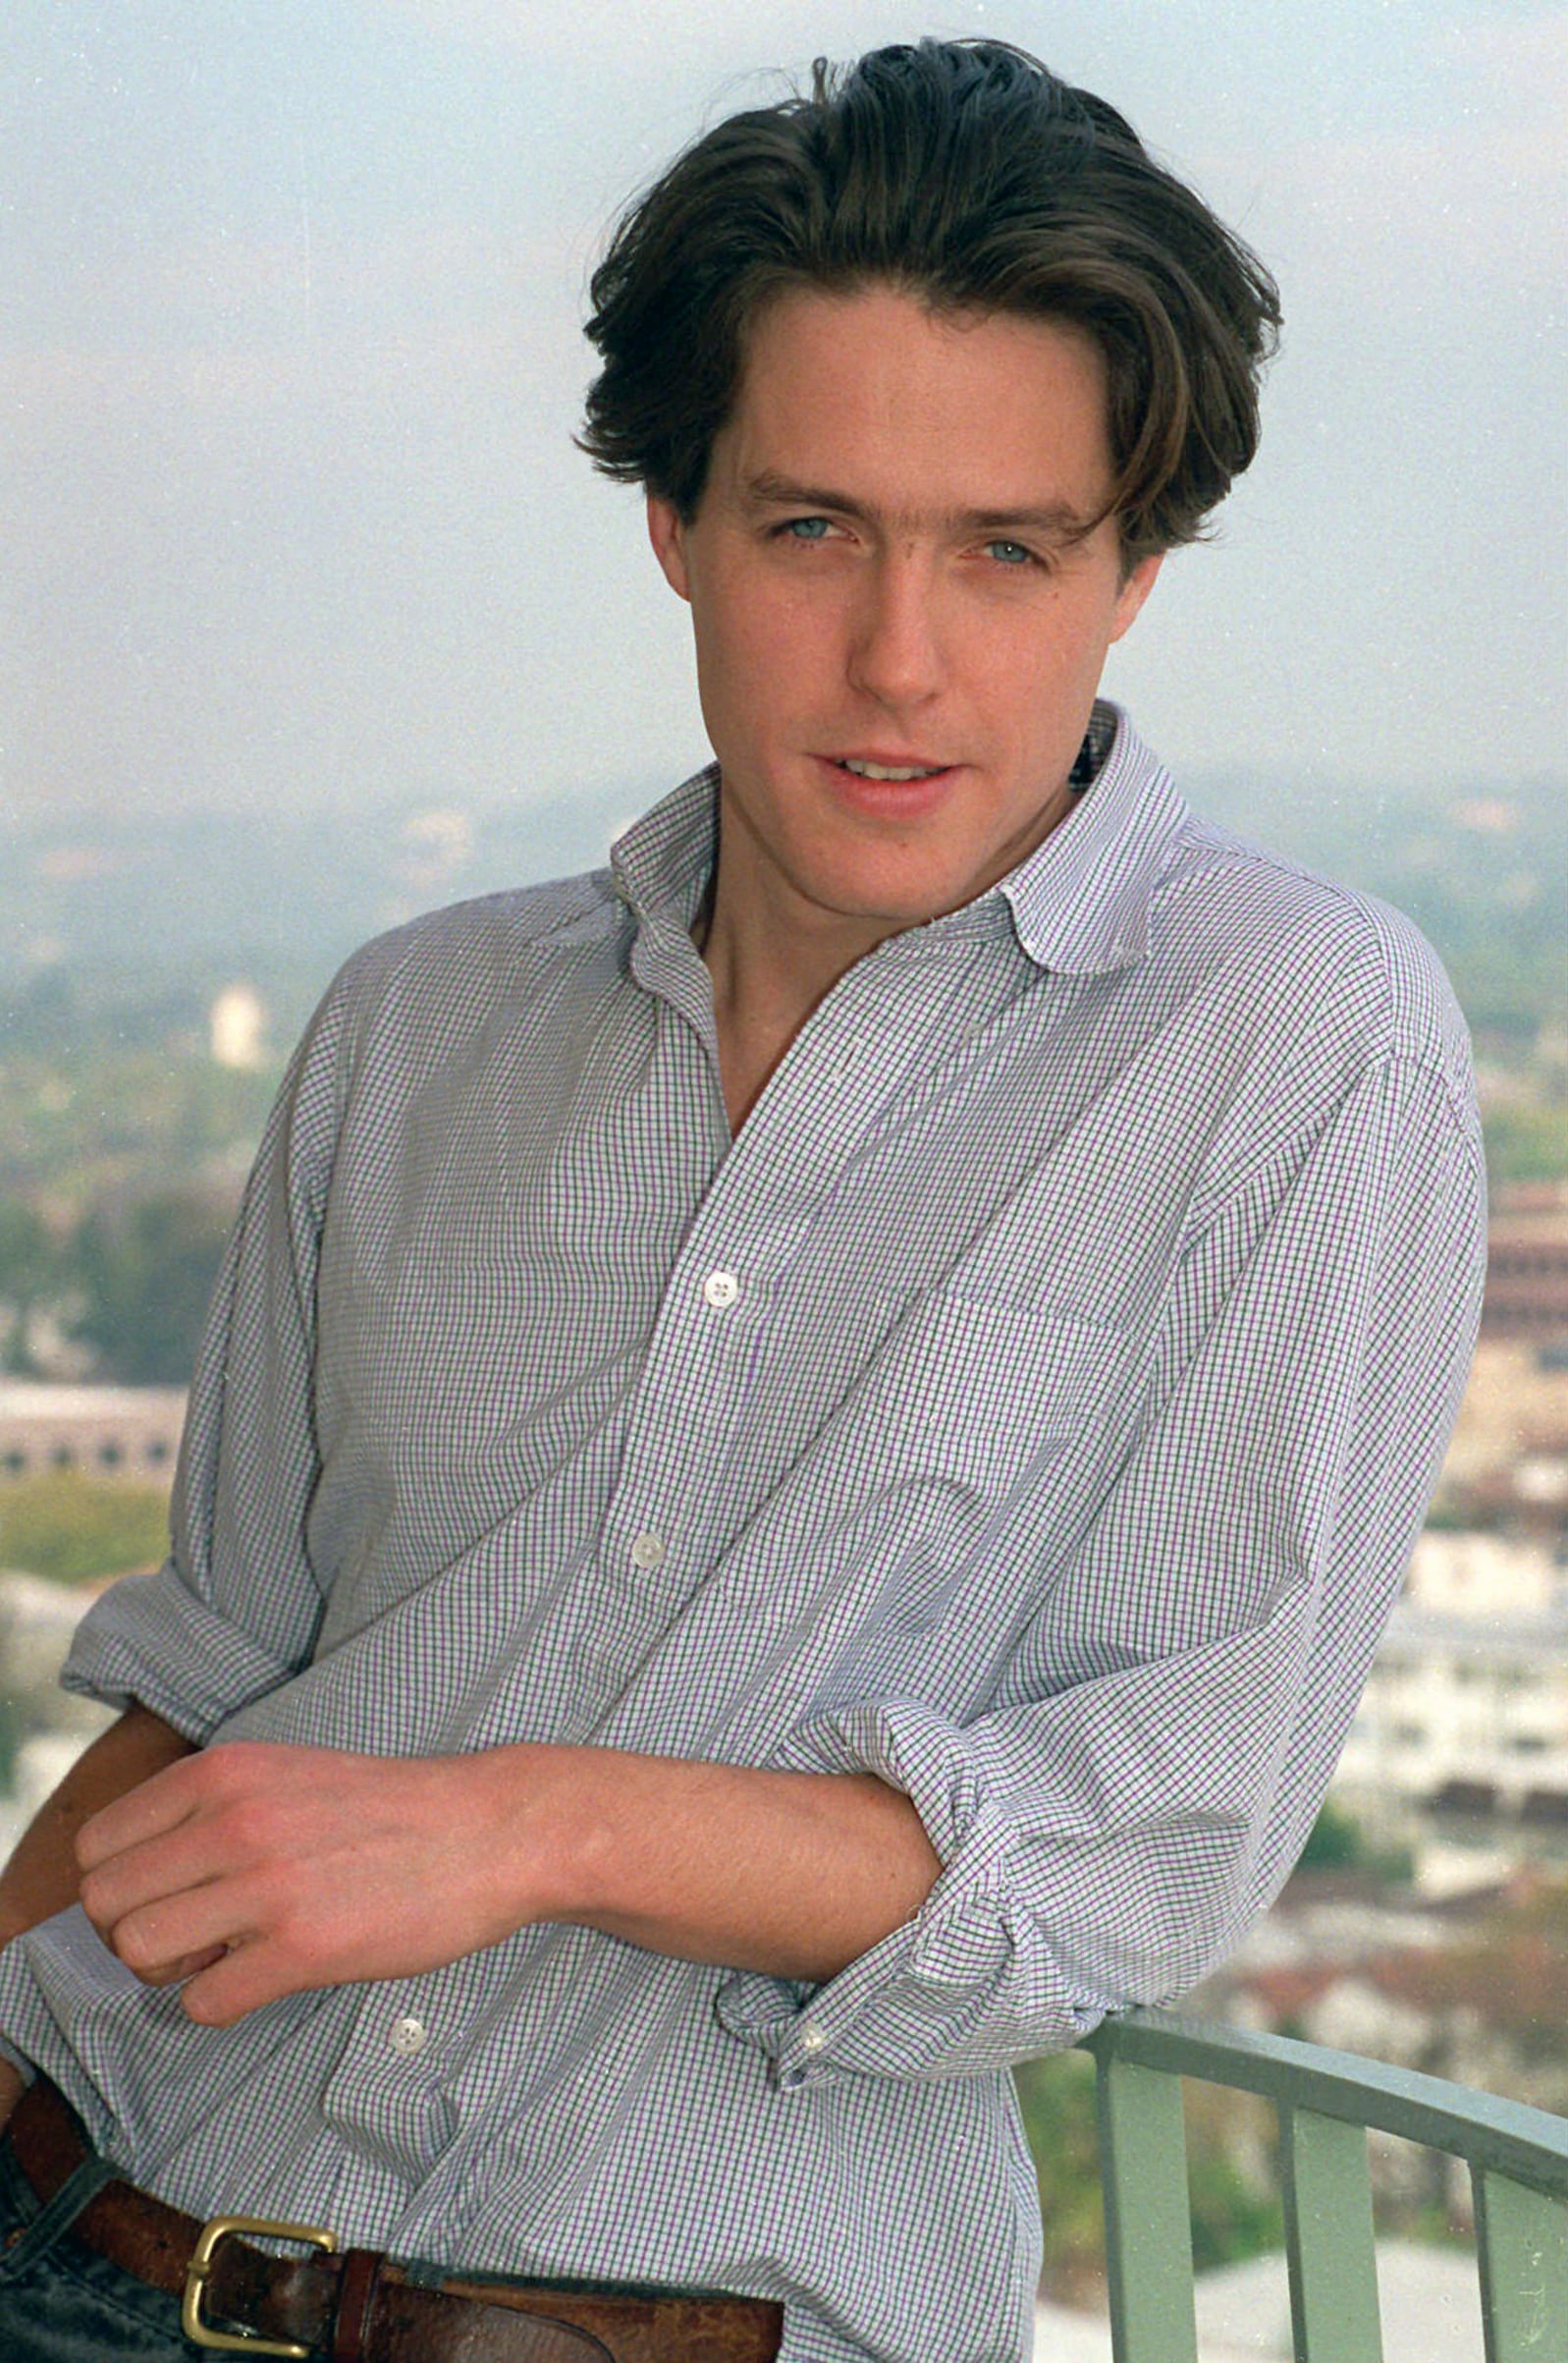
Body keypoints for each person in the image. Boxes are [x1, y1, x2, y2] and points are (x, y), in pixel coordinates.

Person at [0, 38, 1484, 2363]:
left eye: (1005, 550)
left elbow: (1124, 1862)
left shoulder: (1301, 1047)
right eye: (811, 530)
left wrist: (527, 1825)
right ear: (675, 524)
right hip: (67, 2216)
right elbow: (205, 1692)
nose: (900, 659)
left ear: (1132, 570)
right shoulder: (412, 1025)